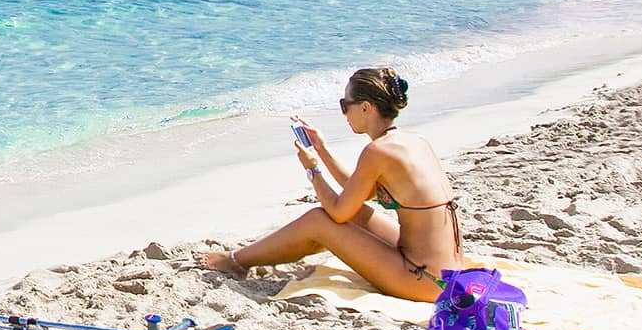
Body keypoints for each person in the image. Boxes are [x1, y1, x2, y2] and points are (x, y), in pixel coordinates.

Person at [194, 68, 463, 303]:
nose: (344, 113)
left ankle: (236, 261)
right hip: (447, 269)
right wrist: (321, 149)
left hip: (427, 280)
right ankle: (242, 259)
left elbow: (337, 213)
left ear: (366, 108)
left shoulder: (378, 152)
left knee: (318, 220)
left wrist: (312, 169)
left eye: (345, 105)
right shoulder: (411, 141)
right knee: (356, 211)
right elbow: (360, 193)